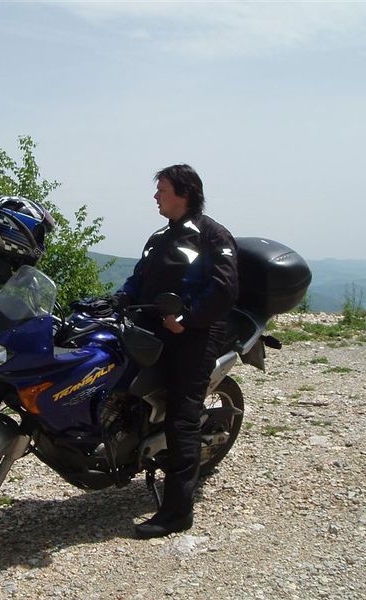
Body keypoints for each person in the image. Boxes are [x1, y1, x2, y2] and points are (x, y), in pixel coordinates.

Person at [114, 164, 239, 539]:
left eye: (162, 190)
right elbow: (139, 278)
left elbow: (224, 287)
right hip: (152, 327)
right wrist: (118, 299)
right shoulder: (159, 237)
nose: (156, 196)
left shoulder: (212, 235)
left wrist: (188, 318)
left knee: (182, 416)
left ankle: (177, 512)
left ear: (184, 194)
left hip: (195, 334)